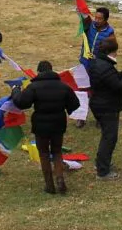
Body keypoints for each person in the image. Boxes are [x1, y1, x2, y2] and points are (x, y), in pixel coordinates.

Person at [12, 60, 81, 194]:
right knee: (57, 152)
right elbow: (75, 105)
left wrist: (15, 90)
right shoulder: (63, 86)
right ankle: (60, 178)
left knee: (43, 154)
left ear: (39, 72)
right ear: (52, 70)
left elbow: (22, 103)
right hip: (58, 123)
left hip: (41, 125)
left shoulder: (34, 87)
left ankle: (49, 185)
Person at [86, 37, 122, 180]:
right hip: (107, 106)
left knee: (107, 136)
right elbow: (117, 86)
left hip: (100, 104)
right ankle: (102, 170)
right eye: (115, 52)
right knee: (109, 138)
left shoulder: (98, 63)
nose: (116, 54)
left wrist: (121, 73)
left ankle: (101, 163)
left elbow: (110, 79)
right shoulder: (105, 66)